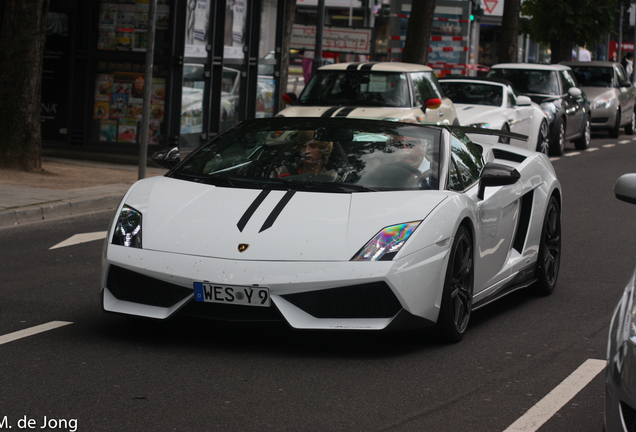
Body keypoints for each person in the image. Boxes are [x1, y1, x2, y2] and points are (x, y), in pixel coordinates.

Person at [271, 130, 337, 179]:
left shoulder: (333, 178)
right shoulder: (282, 173)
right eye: (303, 146)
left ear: (323, 150)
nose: (306, 151)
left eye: (313, 146)